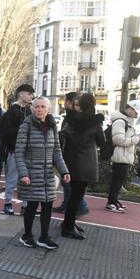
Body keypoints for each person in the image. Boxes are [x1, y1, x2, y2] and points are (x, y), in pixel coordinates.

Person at [14, 97, 70, 250]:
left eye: (42, 107)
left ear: (48, 109)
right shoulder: (26, 126)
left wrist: (64, 170)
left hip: (47, 175)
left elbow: (56, 152)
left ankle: (44, 237)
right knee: (31, 206)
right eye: (36, 107)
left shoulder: (52, 126)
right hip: (31, 174)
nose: (39, 109)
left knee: (47, 206)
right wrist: (24, 173)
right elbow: (19, 152)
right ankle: (26, 235)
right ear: (32, 109)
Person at [59, 92, 104, 240]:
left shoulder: (69, 120)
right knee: (76, 197)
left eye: (77, 105)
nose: (76, 107)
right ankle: (68, 227)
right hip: (85, 163)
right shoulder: (94, 123)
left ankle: (68, 222)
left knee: (72, 195)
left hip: (70, 162)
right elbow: (101, 142)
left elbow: (62, 138)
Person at [0, 83, 34, 214]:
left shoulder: (29, 110)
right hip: (14, 150)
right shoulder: (11, 111)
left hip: (27, 151)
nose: (31, 97)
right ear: (21, 94)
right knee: (12, 178)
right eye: (29, 94)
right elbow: (4, 131)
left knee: (26, 178)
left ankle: (25, 205)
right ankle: (8, 202)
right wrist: (22, 130)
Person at [54, 91, 87, 215]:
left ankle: (79, 207)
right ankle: (67, 205)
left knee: (70, 183)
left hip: (72, 155)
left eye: (65, 100)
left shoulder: (75, 118)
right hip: (69, 154)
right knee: (68, 182)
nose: (64, 103)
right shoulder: (71, 116)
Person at [107, 100, 140, 212]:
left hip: (124, 156)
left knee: (118, 181)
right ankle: (111, 202)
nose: (137, 115)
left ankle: (114, 201)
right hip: (120, 156)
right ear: (130, 109)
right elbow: (118, 139)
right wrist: (136, 139)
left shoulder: (128, 121)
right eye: (136, 112)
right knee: (116, 181)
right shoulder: (120, 121)